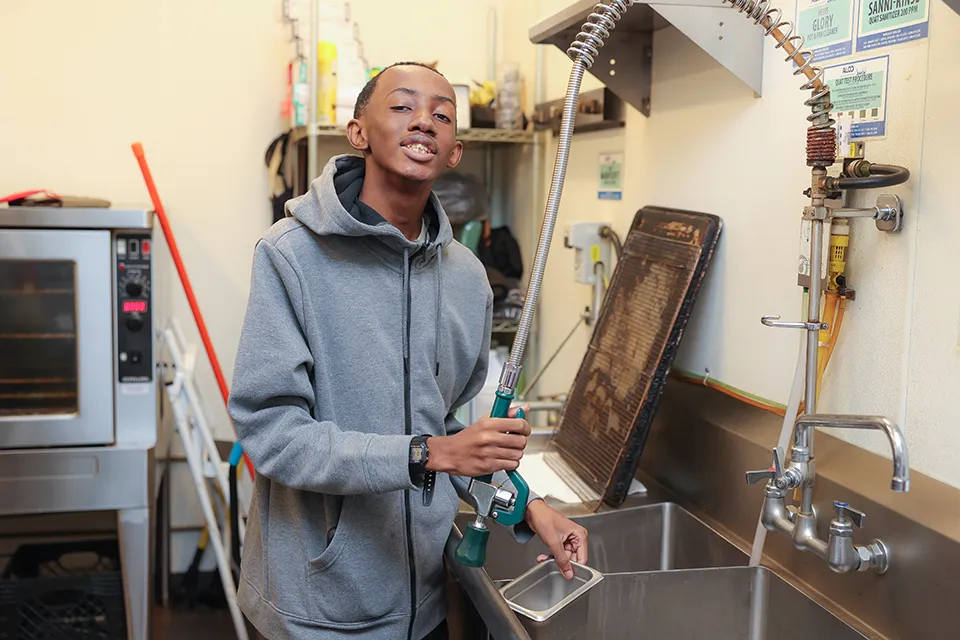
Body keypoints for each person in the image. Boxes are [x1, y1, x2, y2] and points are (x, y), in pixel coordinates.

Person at [228, 61, 588, 640]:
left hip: (424, 597)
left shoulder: (467, 277)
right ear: (359, 132)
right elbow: (273, 434)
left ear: (453, 152)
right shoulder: (290, 256)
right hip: (319, 604)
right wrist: (428, 453)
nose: (423, 121)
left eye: (441, 115)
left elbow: (443, 428)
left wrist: (528, 507)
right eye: (401, 107)